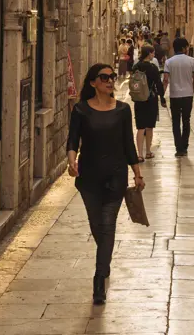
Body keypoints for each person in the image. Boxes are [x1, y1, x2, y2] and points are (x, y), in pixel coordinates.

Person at [66, 63, 143, 305]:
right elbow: (72, 141)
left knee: (108, 224)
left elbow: (128, 144)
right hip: (89, 178)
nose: (110, 81)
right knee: (97, 225)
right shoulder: (80, 111)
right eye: (104, 77)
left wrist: (137, 173)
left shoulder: (123, 110)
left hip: (115, 177)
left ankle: (99, 278)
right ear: (93, 83)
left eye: (111, 77)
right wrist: (71, 162)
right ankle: (105, 259)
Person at [163, 37, 194, 157]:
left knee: (176, 122)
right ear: (184, 48)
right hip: (188, 95)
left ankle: (178, 148)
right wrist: (192, 90)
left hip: (175, 95)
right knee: (186, 120)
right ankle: (185, 146)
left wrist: (162, 95)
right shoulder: (192, 61)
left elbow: (166, 80)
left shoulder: (169, 62)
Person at [131, 46, 166, 161]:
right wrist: (162, 97)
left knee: (140, 127)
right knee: (149, 127)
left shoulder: (136, 67)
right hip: (151, 99)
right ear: (149, 54)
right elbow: (158, 84)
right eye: (153, 53)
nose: (154, 55)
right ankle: (148, 152)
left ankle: (139, 154)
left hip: (139, 99)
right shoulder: (153, 68)